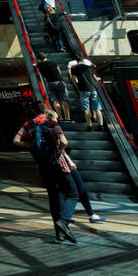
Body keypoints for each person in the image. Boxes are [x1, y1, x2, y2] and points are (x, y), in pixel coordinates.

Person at [13, 109, 78, 243]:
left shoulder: (28, 125)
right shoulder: (52, 123)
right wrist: (58, 150)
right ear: (46, 112)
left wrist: (31, 145)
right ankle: (64, 222)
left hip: (43, 166)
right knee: (73, 193)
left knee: (54, 198)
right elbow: (64, 142)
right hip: (57, 164)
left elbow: (16, 140)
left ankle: (59, 234)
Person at [67, 56, 103, 129]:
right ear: (82, 59)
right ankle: (101, 125)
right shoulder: (89, 67)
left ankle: (89, 126)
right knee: (97, 108)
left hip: (82, 90)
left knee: (86, 109)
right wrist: (100, 78)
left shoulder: (74, 68)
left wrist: (77, 87)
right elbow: (95, 79)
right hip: (92, 89)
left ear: (76, 60)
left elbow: (73, 79)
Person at [37, 52, 71, 122]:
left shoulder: (39, 65)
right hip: (59, 82)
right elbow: (59, 72)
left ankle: (60, 118)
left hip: (50, 83)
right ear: (45, 56)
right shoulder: (53, 62)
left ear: (39, 59)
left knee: (55, 101)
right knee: (64, 100)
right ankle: (67, 118)